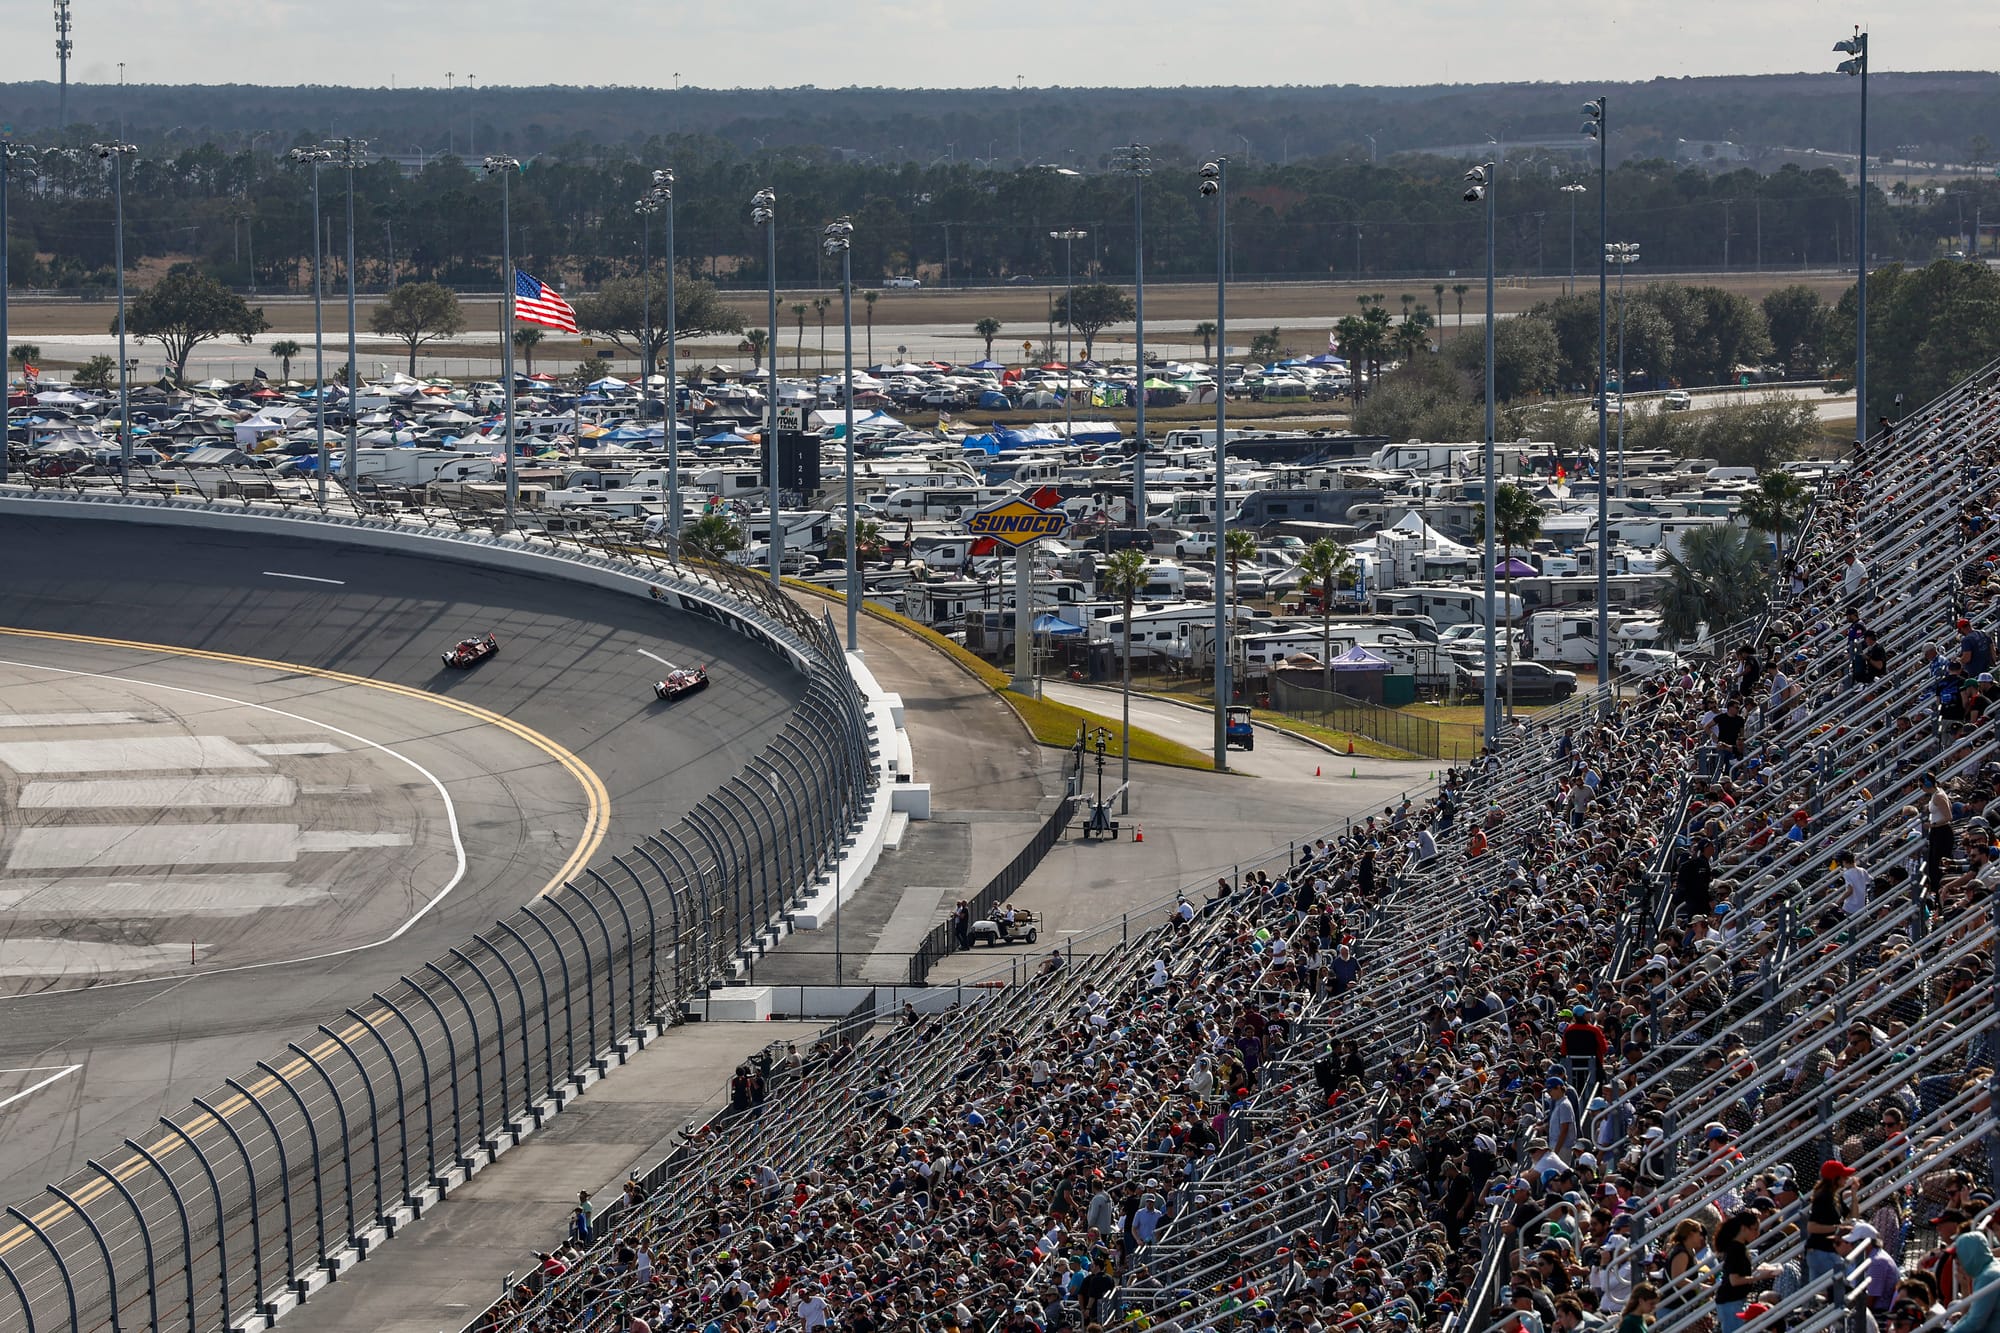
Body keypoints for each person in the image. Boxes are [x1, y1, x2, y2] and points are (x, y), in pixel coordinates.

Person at [1807, 1160, 1858, 1287]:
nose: (1847, 1178)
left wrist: (1854, 1194)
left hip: (1827, 1251)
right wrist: (1836, 1228)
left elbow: (1854, 1217)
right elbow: (1811, 1227)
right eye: (1843, 1176)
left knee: (1822, 1292)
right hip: (1820, 1251)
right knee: (1844, 1285)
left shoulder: (1835, 1196)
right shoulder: (1823, 1197)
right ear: (1835, 1179)